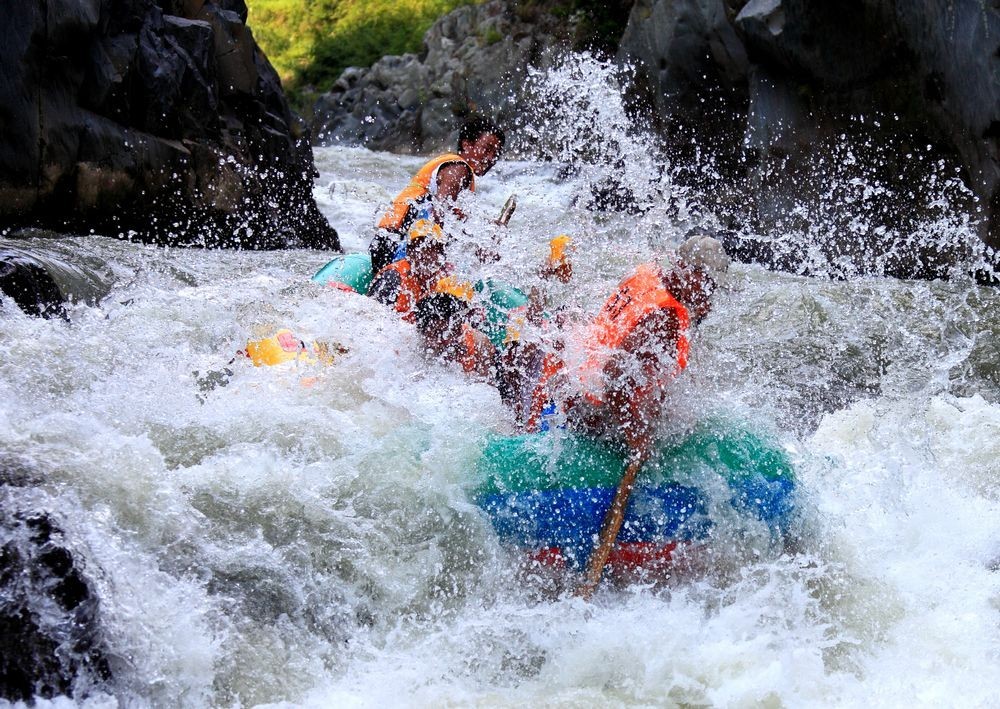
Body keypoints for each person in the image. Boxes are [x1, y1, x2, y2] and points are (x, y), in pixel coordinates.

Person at [369, 116, 506, 273]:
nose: (491, 158)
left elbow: (453, 220)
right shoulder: (459, 169)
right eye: (487, 149)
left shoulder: (452, 167)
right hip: (398, 251)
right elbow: (441, 209)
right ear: (466, 144)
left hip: (383, 245)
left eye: (496, 153)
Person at [368, 219, 452, 321]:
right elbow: (372, 319)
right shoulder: (392, 277)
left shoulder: (443, 283)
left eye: (433, 250)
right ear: (409, 252)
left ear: (442, 255)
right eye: (421, 248)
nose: (426, 255)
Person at [413, 290, 497, 380]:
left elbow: (487, 386)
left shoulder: (479, 343)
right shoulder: (407, 348)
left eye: (454, 331)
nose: (449, 340)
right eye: (438, 333)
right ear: (422, 333)